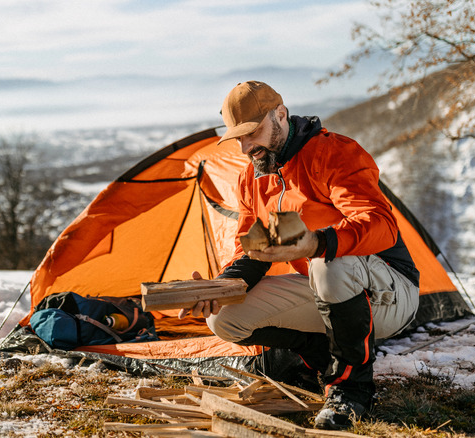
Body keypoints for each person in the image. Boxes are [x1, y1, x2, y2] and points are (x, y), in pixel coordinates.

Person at [179, 80, 420, 430]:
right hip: (327, 288)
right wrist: (218, 289)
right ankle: (321, 360)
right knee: (224, 318)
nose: (247, 147)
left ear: (281, 114)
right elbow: (252, 252)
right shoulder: (252, 179)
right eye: (239, 138)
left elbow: (381, 225)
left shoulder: (334, 153)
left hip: (390, 293)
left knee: (328, 262)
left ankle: (351, 391)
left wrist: (318, 244)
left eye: (253, 133)